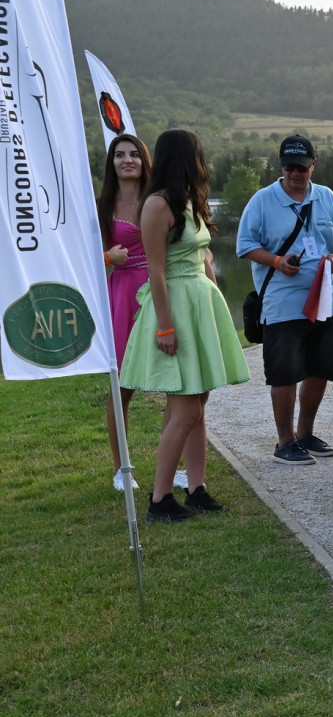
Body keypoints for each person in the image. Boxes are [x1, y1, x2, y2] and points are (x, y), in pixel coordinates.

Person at [118, 130, 250, 521]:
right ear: (185, 158)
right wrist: (165, 326)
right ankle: (160, 500)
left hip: (199, 305)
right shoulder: (157, 205)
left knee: (200, 405)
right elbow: (156, 271)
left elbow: (203, 256)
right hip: (175, 306)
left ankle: (196, 489)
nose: (203, 162)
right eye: (198, 155)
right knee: (186, 410)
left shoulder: (190, 201)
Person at [237, 135, 333, 465]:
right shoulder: (262, 201)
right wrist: (277, 261)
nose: (296, 174)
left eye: (302, 168)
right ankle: (284, 442)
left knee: (321, 369)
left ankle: (305, 433)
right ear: (282, 167)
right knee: (285, 373)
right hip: (282, 302)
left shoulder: (328, 198)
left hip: (327, 300)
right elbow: (245, 245)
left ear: (313, 166)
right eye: (290, 167)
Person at [99, 133, 155, 492]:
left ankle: (177, 466)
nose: (127, 160)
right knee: (122, 386)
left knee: (179, 383)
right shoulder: (102, 205)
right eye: (119, 155)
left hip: (160, 288)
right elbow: (76, 259)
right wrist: (107, 257)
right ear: (112, 163)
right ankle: (122, 471)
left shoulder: (158, 198)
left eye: (134, 154)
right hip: (122, 294)